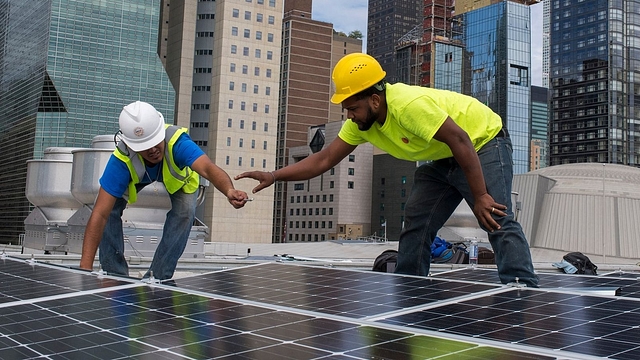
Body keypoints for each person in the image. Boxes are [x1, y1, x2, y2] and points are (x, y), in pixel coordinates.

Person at [236, 53, 539, 287]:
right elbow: (324, 159)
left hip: (482, 141)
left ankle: (521, 291)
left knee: (495, 217)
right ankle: (410, 289)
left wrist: (481, 196)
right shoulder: (362, 124)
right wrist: (275, 175)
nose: (350, 116)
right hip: (446, 155)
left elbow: (460, 139)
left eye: (352, 109)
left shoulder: (408, 107)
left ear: (375, 100)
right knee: (416, 223)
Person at [79, 101, 249, 280]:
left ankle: (158, 276)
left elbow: (207, 168)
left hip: (181, 182)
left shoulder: (177, 142)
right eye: (145, 146)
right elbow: (99, 215)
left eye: (155, 142)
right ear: (131, 146)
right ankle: (114, 274)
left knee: (184, 214)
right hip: (139, 177)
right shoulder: (122, 159)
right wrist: (84, 269)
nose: (153, 150)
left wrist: (229, 190)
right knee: (109, 209)